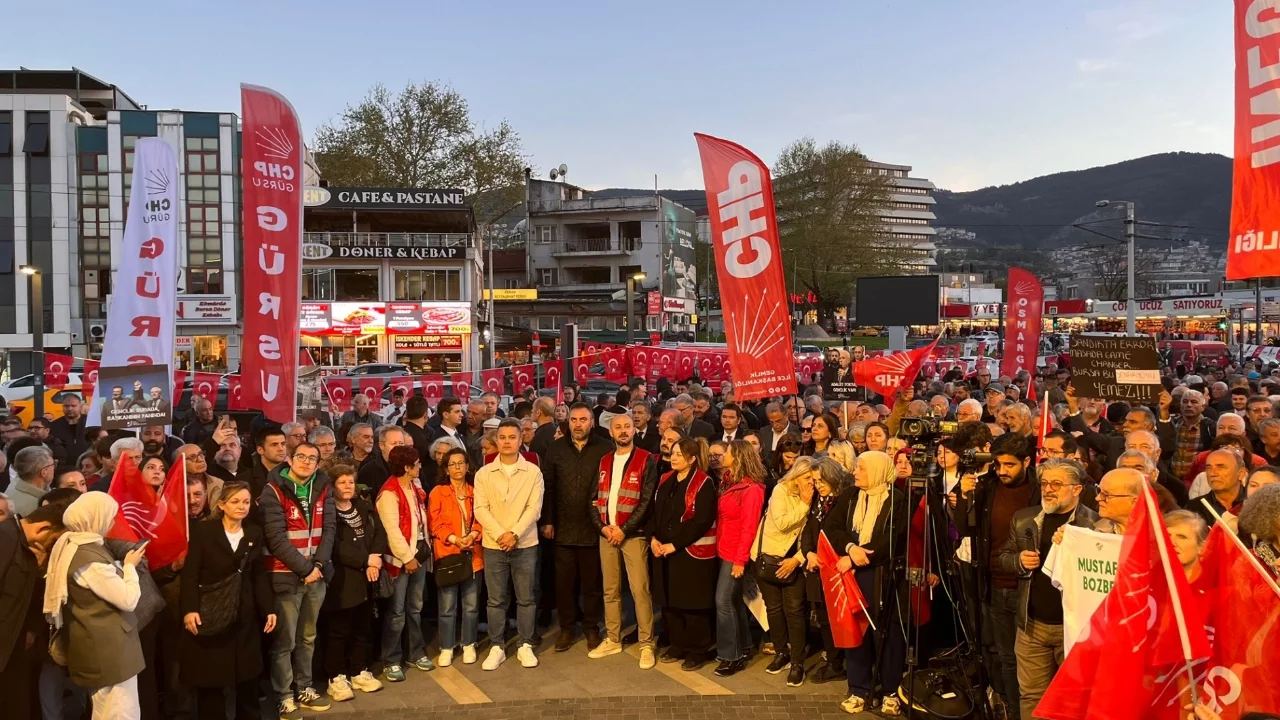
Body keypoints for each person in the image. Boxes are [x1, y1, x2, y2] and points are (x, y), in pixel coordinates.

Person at [1000, 457, 1099, 720]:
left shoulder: (1096, 525)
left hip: (1073, 631)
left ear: (1077, 489)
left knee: (1074, 700)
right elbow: (1004, 557)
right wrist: (1018, 562)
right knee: (1032, 696)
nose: (1048, 489)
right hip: (1031, 627)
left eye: (1056, 483)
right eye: (1044, 483)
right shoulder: (1024, 518)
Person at [180, 481, 280, 720]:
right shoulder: (204, 532)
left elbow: (258, 575)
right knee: (212, 680)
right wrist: (190, 609)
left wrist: (269, 609)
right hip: (211, 612)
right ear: (222, 504)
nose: (242, 507)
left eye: (246, 502)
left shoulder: (254, 532)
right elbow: (191, 574)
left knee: (247, 678)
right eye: (235, 501)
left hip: (244, 614)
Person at [44, 492, 146, 720]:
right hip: (109, 651)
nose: (112, 522)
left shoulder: (72, 545)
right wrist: (129, 567)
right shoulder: (88, 558)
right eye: (110, 516)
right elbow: (128, 599)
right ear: (96, 518)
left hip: (99, 647)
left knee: (105, 711)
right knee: (120, 713)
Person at [825, 451, 909, 716]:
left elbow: (892, 539)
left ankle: (890, 691)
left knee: (888, 634)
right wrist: (850, 549)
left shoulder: (898, 499)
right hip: (851, 574)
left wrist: (861, 556)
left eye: (861, 469)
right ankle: (858, 689)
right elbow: (831, 527)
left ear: (876, 471)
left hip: (883, 576)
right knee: (856, 631)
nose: (855, 473)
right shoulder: (850, 496)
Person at [259, 442, 336, 719]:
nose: (306, 462)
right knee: (285, 642)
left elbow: (330, 529)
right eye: (300, 456)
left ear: (318, 463)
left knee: (308, 637)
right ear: (290, 460)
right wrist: (305, 569)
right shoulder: (273, 490)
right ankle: (284, 696)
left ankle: (304, 687)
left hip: (317, 575)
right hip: (286, 576)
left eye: (312, 458)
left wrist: (318, 565)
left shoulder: (324, 487)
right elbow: (276, 538)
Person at [586, 411, 659, 668]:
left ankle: (646, 643)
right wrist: (603, 528)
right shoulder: (605, 460)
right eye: (618, 427)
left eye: (627, 426)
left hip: (633, 535)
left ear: (634, 428)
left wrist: (624, 530)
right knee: (610, 590)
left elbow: (646, 500)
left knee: (640, 589)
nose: (623, 431)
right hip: (607, 534)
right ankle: (614, 638)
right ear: (611, 432)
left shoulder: (645, 459)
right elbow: (593, 499)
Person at [540, 402, 614, 651]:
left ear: (592, 422)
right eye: (574, 420)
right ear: (568, 422)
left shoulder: (605, 448)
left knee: (592, 584)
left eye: (583, 420)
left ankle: (592, 628)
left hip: (594, 527)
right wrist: (548, 520)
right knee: (564, 584)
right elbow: (548, 486)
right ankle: (567, 629)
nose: (578, 424)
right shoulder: (556, 448)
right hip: (563, 527)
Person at [474, 419, 544, 670]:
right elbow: (480, 509)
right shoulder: (484, 473)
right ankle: (496, 646)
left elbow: (534, 508)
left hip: (524, 543)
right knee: (495, 600)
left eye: (511, 437)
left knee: (526, 598)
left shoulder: (533, 472)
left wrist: (513, 533)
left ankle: (525, 644)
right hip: (494, 545)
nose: (506, 442)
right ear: (496, 441)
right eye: (502, 437)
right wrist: (500, 534)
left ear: (520, 439)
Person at [650, 436, 719, 670]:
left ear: (692, 459)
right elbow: (655, 510)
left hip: (690, 551)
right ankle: (678, 643)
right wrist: (654, 538)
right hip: (664, 548)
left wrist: (674, 544)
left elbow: (700, 521)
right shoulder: (666, 479)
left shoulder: (704, 482)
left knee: (692, 603)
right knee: (670, 601)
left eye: (679, 454)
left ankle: (698, 649)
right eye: (673, 453)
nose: (674, 457)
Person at [321, 465, 386, 702]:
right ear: (332, 486)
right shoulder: (329, 511)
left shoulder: (362, 505)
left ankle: (359, 670)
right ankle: (336, 676)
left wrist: (375, 558)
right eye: (342, 482)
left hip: (367, 576)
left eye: (351, 482)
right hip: (341, 578)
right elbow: (335, 546)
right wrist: (363, 559)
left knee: (362, 626)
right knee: (339, 629)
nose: (348, 486)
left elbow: (379, 532)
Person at [0, 501, 65, 719]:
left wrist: (36, 572)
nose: (52, 548)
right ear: (43, 528)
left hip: (11, 649)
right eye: (54, 540)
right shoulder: (5, 537)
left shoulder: (25, 547)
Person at [754, 455, 815, 686]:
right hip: (769, 558)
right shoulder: (781, 491)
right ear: (796, 476)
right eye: (807, 478)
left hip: (795, 562)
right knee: (774, 609)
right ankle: (781, 652)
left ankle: (798, 662)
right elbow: (781, 522)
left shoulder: (816, 495)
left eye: (813, 478)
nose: (811, 483)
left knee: (795, 611)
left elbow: (812, 535)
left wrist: (797, 560)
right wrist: (804, 505)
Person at [708, 437, 766, 677]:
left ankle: (731, 656)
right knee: (733, 601)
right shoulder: (730, 482)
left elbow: (749, 527)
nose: (724, 455)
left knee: (722, 602)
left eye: (728, 451)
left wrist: (740, 560)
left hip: (735, 552)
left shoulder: (751, 489)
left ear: (738, 456)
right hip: (726, 549)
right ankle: (743, 647)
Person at [375, 445, 434, 679]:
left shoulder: (414, 486)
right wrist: (407, 558)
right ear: (407, 467)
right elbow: (392, 531)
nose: (420, 466)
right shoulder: (389, 493)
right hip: (399, 562)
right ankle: (391, 659)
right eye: (417, 463)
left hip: (417, 556)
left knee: (415, 608)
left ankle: (415, 652)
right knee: (397, 612)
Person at [428, 448, 484, 667]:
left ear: (468, 466)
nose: (457, 468)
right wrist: (454, 538)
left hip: (473, 554)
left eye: (461, 463)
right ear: (446, 468)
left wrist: (472, 535)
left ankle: (469, 643)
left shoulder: (475, 491)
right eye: (452, 464)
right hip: (448, 554)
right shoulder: (438, 492)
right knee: (447, 606)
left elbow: (482, 516)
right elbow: (435, 523)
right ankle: (447, 646)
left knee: (471, 605)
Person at [800, 457, 849, 684]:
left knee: (837, 619)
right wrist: (808, 552)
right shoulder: (817, 501)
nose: (817, 484)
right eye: (815, 480)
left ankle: (840, 662)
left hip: (835, 570)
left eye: (821, 480)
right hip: (816, 569)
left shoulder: (844, 501)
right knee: (823, 619)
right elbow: (809, 530)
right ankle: (833, 661)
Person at [1189, 448, 1248, 528]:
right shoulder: (1194, 508)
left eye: (1221, 467)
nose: (1213, 473)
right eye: (1208, 468)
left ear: (1241, 474)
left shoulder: (1255, 504)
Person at [359, 425, 407, 495]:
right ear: (381, 445)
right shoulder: (368, 470)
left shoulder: (411, 467)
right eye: (394, 443)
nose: (398, 447)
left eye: (401, 443)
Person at [10, 445, 55, 516]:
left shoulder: (14, 486)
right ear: (44, 472)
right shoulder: (33, 509)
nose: (54, 468)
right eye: (53, 465)